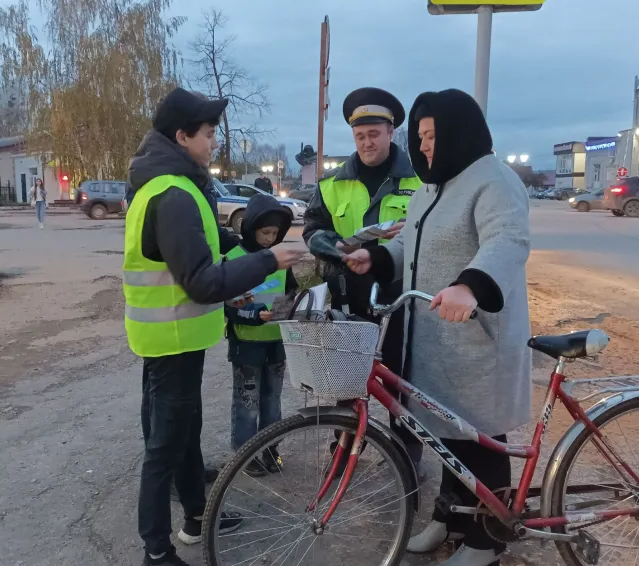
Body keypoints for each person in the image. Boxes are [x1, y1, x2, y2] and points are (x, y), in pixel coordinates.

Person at [343, 89, 532, 566]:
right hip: (434, 336)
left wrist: (471, 286)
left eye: (431, 135)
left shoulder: (494, 180)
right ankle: (450, 517)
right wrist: (379, 256)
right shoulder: (431, 185)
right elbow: (411, 240)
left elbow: (507, 240)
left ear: (457, 131)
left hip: (476, 339)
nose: (424, 145)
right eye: (421, 136)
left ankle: (487, 538)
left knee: (479, 437)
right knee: (443, 433)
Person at [124, 87, 303, 566]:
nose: (213, 143)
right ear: (182, 136)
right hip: (173, 338)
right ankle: (156, 551)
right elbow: (202, 281)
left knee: (182, 433)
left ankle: (196, 519)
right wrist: (268, 259)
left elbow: (211, 245)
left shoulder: (175, 185)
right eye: (208, 134)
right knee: (164, 445)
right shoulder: (174, 193)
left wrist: (257, 241)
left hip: (174, 336)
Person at [302, 86, 424, 474]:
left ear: (391, 132)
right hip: (349, 298)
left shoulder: (420, 182)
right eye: (360, 136)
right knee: (347, 379)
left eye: (375, 134)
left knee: (402, 379)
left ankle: (406, 456)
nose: (367, 142)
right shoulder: (331, 184)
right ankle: (343, 450)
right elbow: (313, 229)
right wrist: (334, 248)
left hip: (401, 298)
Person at [223, 193, 298, 475]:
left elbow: (291, 292)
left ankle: (270, 449)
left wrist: (293, 307)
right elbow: (226, 307)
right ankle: (245, 454)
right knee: (247, 403)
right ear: (251, 227)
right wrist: (254, 315)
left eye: (275, 233)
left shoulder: (280, 259)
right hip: (247, 345)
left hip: (276, 343)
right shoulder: (233, 259)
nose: (270, 239)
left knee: (272, 401)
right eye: (265, 232)